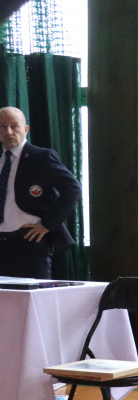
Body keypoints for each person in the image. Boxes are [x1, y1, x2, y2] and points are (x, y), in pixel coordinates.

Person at [0, 106, 81, 279]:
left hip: (29, 241)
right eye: (2, 126)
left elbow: (72, 189)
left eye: (14, 126)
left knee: (34, 297)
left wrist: (47, 224)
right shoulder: (1, 161)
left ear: (25, 129)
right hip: (2, 243)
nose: (8, 131)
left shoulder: (41, 157)